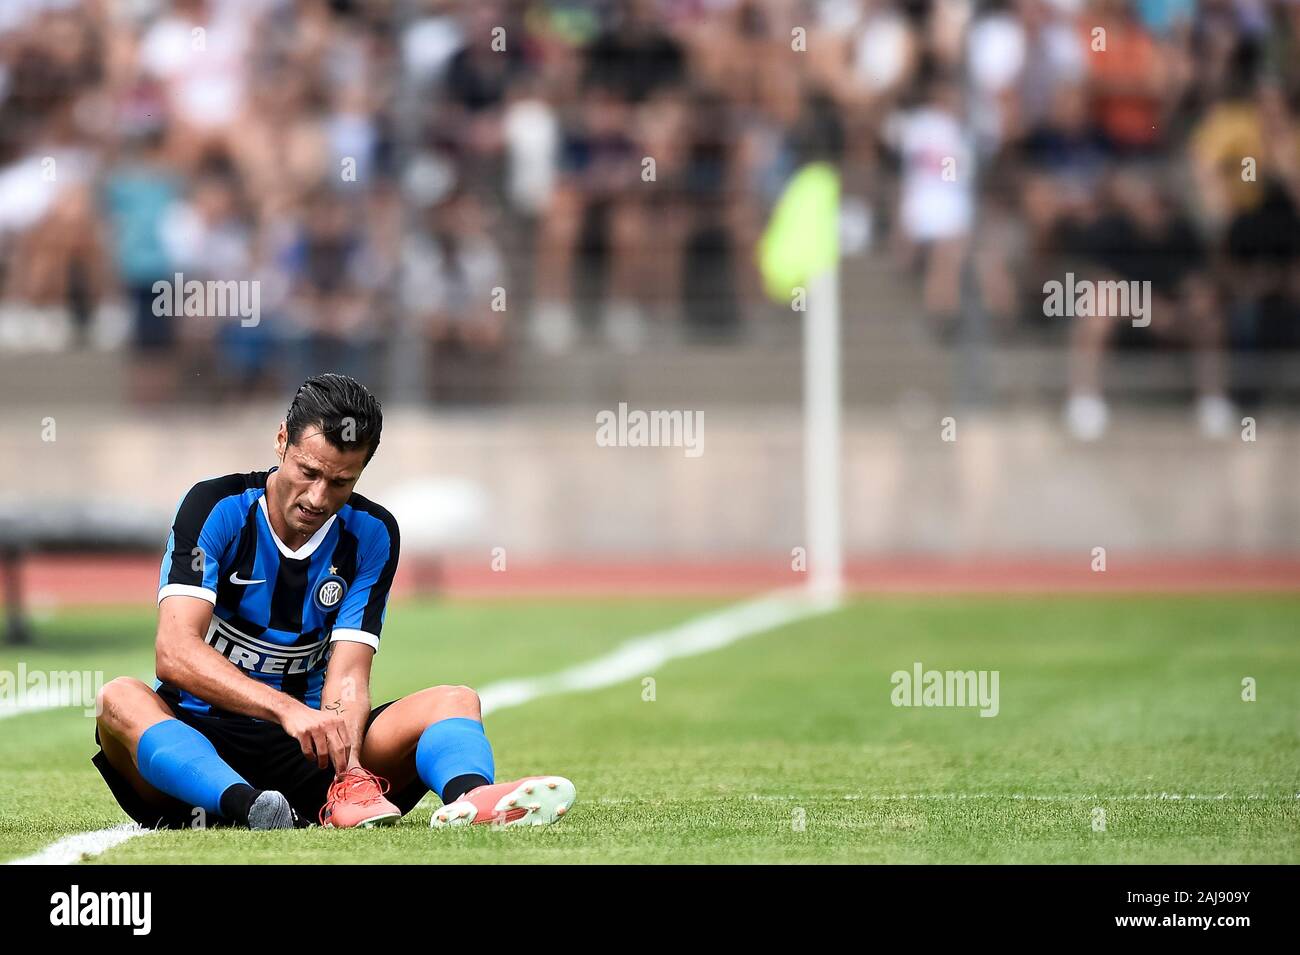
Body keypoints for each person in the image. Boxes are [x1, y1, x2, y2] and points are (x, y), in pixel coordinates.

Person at [92, 373, 576, 829]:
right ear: (282, 440)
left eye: (341, 482)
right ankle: (247, 806)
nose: (318, 498)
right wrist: (284, 709)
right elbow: (174, 651)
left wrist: (348, 768)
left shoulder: (372, 533)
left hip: (309, 753)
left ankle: (472, 800)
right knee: (118, 698)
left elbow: (347, 675)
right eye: (309, 472)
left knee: (455, 700)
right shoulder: (214, 507)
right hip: (192, 749)